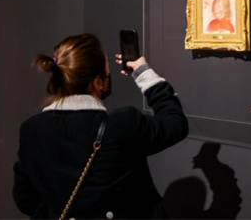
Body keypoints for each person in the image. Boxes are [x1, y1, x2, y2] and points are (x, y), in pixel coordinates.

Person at [13, 33, 188, 219]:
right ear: (98, 83)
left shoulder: (31, 130)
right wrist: (142, 72)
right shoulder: (122, 124)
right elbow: (175, 123)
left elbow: (25, 199)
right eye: (107, 70)